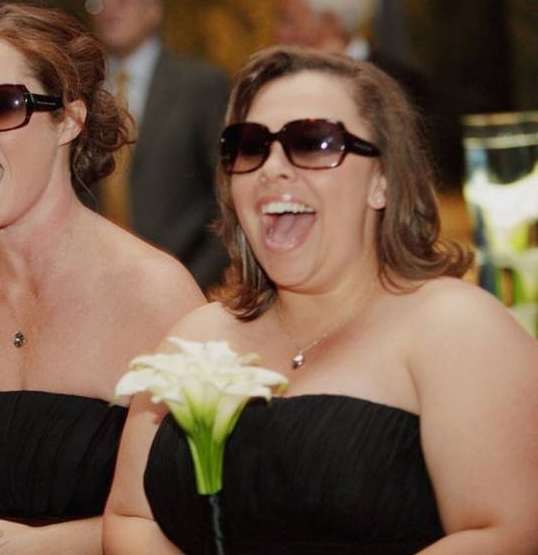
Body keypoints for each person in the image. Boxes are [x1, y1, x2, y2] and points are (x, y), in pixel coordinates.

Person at [103, 46, 538, 554]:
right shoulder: (195, 337)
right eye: (249, 145)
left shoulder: (456, 328)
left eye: (314, 142)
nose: (274, 167)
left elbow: (508, 533)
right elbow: (130, 517)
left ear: (383, 180)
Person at [0, 2, 205, 554]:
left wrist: (45, 546)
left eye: (0, 105)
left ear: (70, 119)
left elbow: (204, 517)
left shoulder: (157, 297)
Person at [88, 0, 230, 290]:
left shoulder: (199, 84)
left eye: (123, 1)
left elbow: (227, 194)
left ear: (152, 10)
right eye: (99, 3)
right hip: (100, 287)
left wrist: (194, 279)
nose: (110, 12)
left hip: (185, 280)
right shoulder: (82, 92)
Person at [275, 0, 428, 110]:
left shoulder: (402, 86)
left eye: (289, 21)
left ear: (330, 23)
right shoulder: (281, 82)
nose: (279, 32)